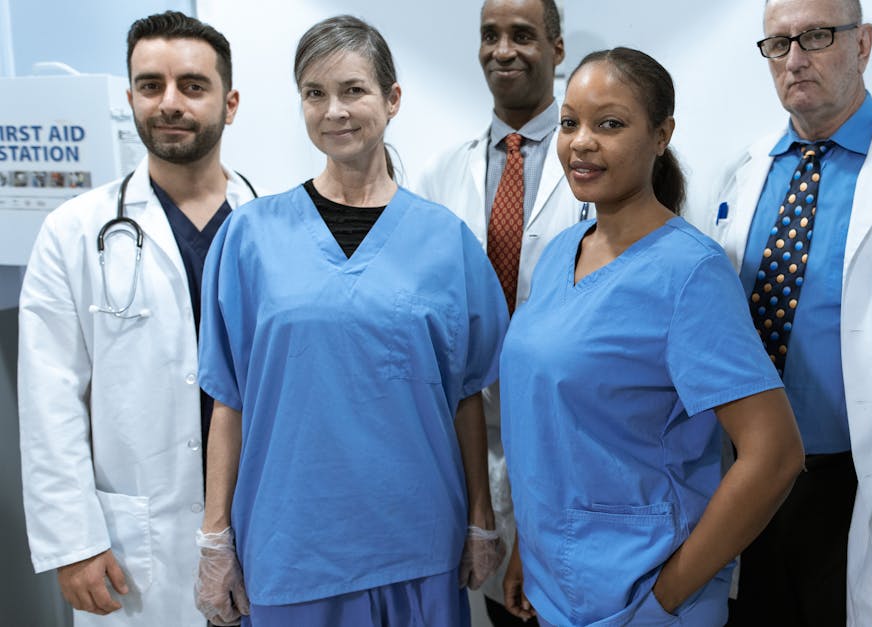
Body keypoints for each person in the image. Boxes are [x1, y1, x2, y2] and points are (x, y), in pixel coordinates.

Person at [194, 15, 509, 627]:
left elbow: (467, 395)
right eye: (315, 93)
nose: (334, 110)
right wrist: (215, 537)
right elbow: (228, 400)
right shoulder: (251, 236)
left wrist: (480, 518)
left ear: (392, 99)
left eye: (353, 90)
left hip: (419, 542)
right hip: (291, 545)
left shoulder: (446, 241)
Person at [687, 0, 872, 624]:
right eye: (778, 44)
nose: (795, 60)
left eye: (817, 36)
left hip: (859, 483)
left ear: (863, 44)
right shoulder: (745, 171)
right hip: (747, 479)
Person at [499, 47, 806, 627]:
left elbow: (775, 455)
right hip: (557, 583)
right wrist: (527, 547)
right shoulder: (563, 250)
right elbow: (551, 427)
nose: (581, 142)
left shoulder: (690, 273)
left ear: (662, 135)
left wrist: (664, 600)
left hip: (639, 594)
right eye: (570, 123)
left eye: (609, 124)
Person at [18, 11, 254, 627]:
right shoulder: (72, 232)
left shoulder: (274, 225)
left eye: (192, 86)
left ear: (229, 104)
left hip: (262, 521)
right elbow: (49, 400)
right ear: (130, 100)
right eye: (151, 85)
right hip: (142, 548)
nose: (169, 102)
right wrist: (74, 541)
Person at [410, 1, 587, 623]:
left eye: (522, 35)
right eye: (490, 35)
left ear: (557, 49)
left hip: (575, 436)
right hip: (473, 436)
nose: (503, 50)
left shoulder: (594, 162)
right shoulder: (439, 174)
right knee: (499, 608)